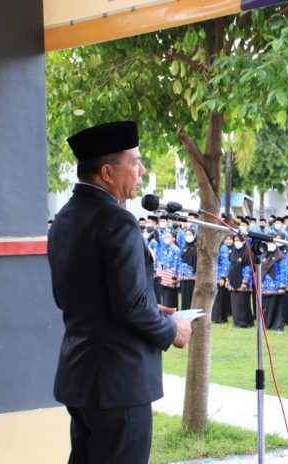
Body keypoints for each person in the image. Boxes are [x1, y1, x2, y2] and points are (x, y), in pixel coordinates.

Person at [47, 121, 190, 463]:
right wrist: (171, 330)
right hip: (118, 382)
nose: (141, 170)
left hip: (82, 375)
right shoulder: (116, 219)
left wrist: (149, 306)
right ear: (108, 172)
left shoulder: (65, 218)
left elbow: (78, 296)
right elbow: (129, 306)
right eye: (135, 161)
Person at [227, 234, 254, 328]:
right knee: (235, 303)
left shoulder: (247, 251)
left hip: (243, 281)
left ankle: (243, 323)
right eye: (235, 240)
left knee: (242, 304)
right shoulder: (234, 251)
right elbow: (230, 266)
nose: (236, 243)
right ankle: (237, 322)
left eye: (239, 240)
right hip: (234, 280)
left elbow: (248, 268)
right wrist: (228, 280)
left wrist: (244, 281)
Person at [260, 239, 288, 331]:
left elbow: (283, 272)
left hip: (276, 285)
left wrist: (281, 286)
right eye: (267, 243)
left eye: (270, 242)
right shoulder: (263, 255)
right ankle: (266, 326)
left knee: (277, 307)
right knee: (266, 307)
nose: (269, 244)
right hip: (265, 285)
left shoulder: (280, 257)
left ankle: (277, 326)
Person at [157, 231, 181, 309]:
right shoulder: (166, 249)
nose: (166, 239)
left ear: (173, 239)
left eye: (168, 237)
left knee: (170, 300)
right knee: (164, 299)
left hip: (171, 278)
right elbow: (162, 262)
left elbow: (177, 264)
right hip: (164, 277)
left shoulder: (176, 250)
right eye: (165, 237)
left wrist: (174, 278)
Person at [212, 235, 232, 323]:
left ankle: (219, 317)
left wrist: (223, 277)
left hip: (220, 276)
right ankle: (216, 316)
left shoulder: (223, 248)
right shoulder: (213, 246)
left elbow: (225, 264)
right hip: (213, 274)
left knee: (219, 297)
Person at [179, 228, 197, 310]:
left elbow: (197, 262)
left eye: (190, 234)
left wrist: (194, 275)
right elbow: (181, 261)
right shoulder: (184, 247)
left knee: (192, 296)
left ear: (194, 235)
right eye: (186, 235)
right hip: (184, 276)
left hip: (193, 276)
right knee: (184, 296)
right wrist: (181, 274)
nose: (188, 236)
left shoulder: (196, 247)